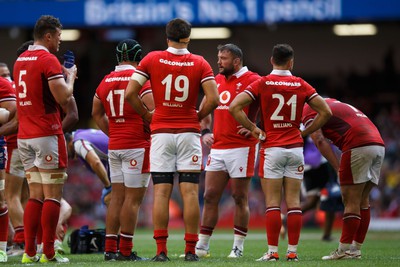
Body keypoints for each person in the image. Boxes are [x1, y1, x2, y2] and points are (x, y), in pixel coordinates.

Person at [125, 18, 219, 262]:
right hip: (189, 132)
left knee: (161, 193)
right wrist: (197, 115)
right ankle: (190, 251)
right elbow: (214, 98)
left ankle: (161, 252)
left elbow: (130, 93)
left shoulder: (151, 59)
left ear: (167, 36)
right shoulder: (200, 62)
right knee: (189, 194)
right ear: (188, 37)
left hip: (161, 132)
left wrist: (147, 115)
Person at [229, 44, 332, 262]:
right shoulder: (300, 84)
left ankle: (273, 251)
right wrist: (305, 131)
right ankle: (292, 253)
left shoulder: (263, 82)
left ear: (271, 60)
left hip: (271, 148)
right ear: (291, 62)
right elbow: (326, 111)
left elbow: (234, 107)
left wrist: (254, 129)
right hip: (295, 148)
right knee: (294, 202)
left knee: (273, 204)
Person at [13, 15, 77, 263]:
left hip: (25, 137)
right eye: (59, 36)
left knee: (36, 195)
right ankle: (48, 253)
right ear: (48, 36)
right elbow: (63, 97)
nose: (60, 41)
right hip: (46, 133)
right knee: (52, 196)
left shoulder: (21, 59)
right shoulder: (47, 59)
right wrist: (70, 76)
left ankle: (29, 253)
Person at [195, 44, 260, 259]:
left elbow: (269, 106)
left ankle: (238, 247)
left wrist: (257, 128)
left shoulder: (253, 80)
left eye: (223, 58)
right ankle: (202, 246)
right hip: (219, 147)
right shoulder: (217, 80)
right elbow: (205, 106)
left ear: (236, 61)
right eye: (218, 57)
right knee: (210, 195)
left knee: (239, 197)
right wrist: (205, 131)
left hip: (242, 147)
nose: (219, 61)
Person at [92, 38, 154, 261]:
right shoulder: (139, 79)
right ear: (138, 56)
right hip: (136, 144)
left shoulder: (106, 79)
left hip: (115, 145)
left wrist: (113, 132)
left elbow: (96, 112)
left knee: (117, 197)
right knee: (133, 200)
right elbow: (153, 109)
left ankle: (109, 249)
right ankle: (126, 251)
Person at [301, 98, 385, 260]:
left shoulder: (308, 110)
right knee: (363, 201)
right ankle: (355, 249)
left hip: (357, 144)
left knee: (351, 200)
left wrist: (336, 167)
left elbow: (319, 139)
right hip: (378, 144)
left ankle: (344, 250)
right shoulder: (333, 102)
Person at [301, 135, 343, 241]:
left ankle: (285, 219)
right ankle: (327, 234)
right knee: (330, 197)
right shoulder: (319, 122)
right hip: (322, 164)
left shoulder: (302, 125)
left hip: (307, 165)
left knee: (311, 202)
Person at [65, 129, 112, 205]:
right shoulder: (81, 133)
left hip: (124, 153)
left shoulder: (77, 142)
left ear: (67, 142)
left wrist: (108, 186)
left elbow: (96, 163)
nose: (69, 157)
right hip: (120, 153)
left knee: (110, 199)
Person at [0, 72, 17, 263]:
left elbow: (10, 113)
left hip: (0, 147)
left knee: (1, 199)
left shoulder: (3, 84)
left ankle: (2, 249)